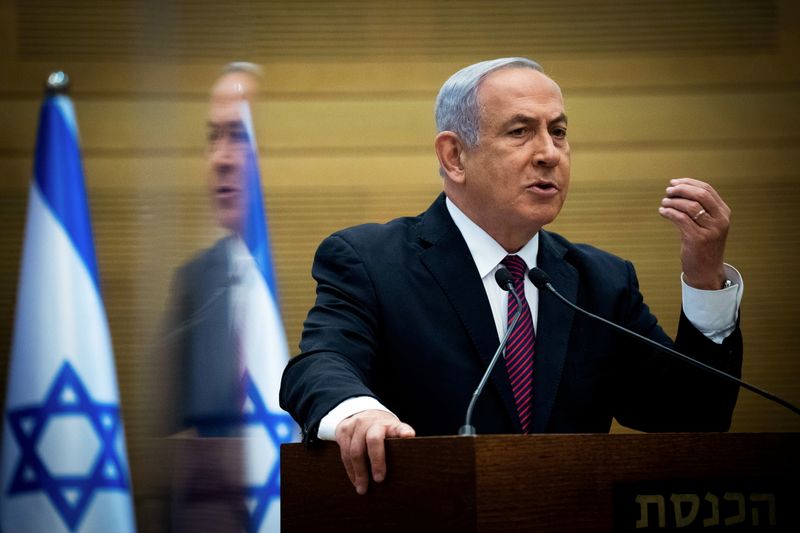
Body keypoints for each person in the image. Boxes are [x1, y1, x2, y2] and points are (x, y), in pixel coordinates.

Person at [279, 57, 743, 496]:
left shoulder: (601, 282)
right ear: (454, 156)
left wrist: (705, 277)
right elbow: (319, 364)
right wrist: (359, 413)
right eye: (520, 132)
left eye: (558, 132)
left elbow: (692, 415)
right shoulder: (371, 262)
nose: (549, 153)